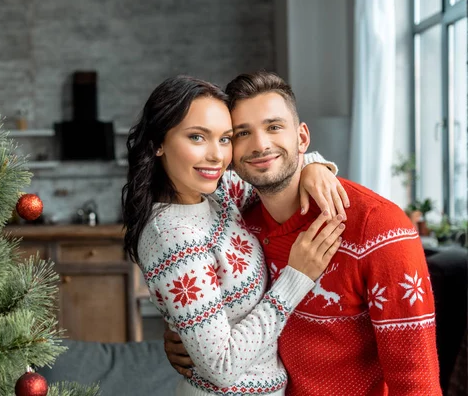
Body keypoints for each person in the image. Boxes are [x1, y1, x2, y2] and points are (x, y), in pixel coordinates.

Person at [165, 71, 442, 395]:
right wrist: (185, 333)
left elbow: (416, 384)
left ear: (302, 137)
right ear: (230, 151)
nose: (261, 144)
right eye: (242, 133)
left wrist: (316, 165)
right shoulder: (239, 223)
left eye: (274, 127)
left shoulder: (379, 229)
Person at [122, 75, 348, 396]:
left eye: (225, 138)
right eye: (197, 137)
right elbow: (222, 368)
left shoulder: (218, 194)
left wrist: (314, 166)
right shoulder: (173, 237)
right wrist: (297, 277)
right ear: (158, 143)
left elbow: (273, 176)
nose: (216, 156)